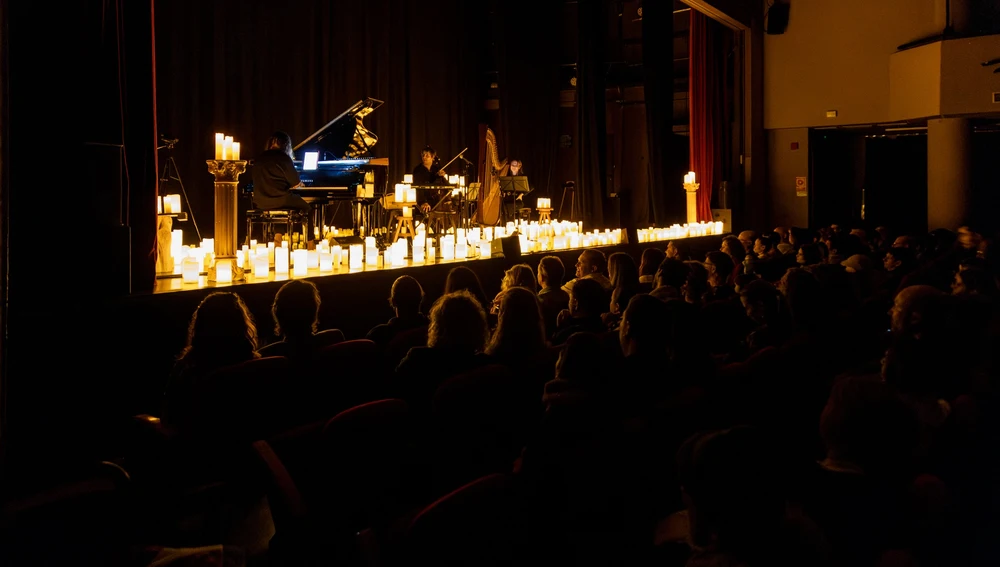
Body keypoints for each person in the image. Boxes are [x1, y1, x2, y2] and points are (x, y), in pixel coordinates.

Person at [251, 131, 313, 246]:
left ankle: (277, 240)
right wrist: (302, 184)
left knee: (280, 210)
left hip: (260, 201)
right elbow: (295, 184)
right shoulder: (284, 158)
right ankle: (310, 244)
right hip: (281, 200)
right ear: (286, 145)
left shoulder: (259, 158)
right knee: (307, 208)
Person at [411, 146, 449, 213]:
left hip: (436, 200)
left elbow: (444, 184)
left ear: (432, 157)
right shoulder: (417, 170)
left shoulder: (436, 169)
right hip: (422, 198)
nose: (424, 157)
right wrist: (423, 202)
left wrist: (442, 176)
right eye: (423, 155)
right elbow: (417, 188)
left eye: (427, 156)